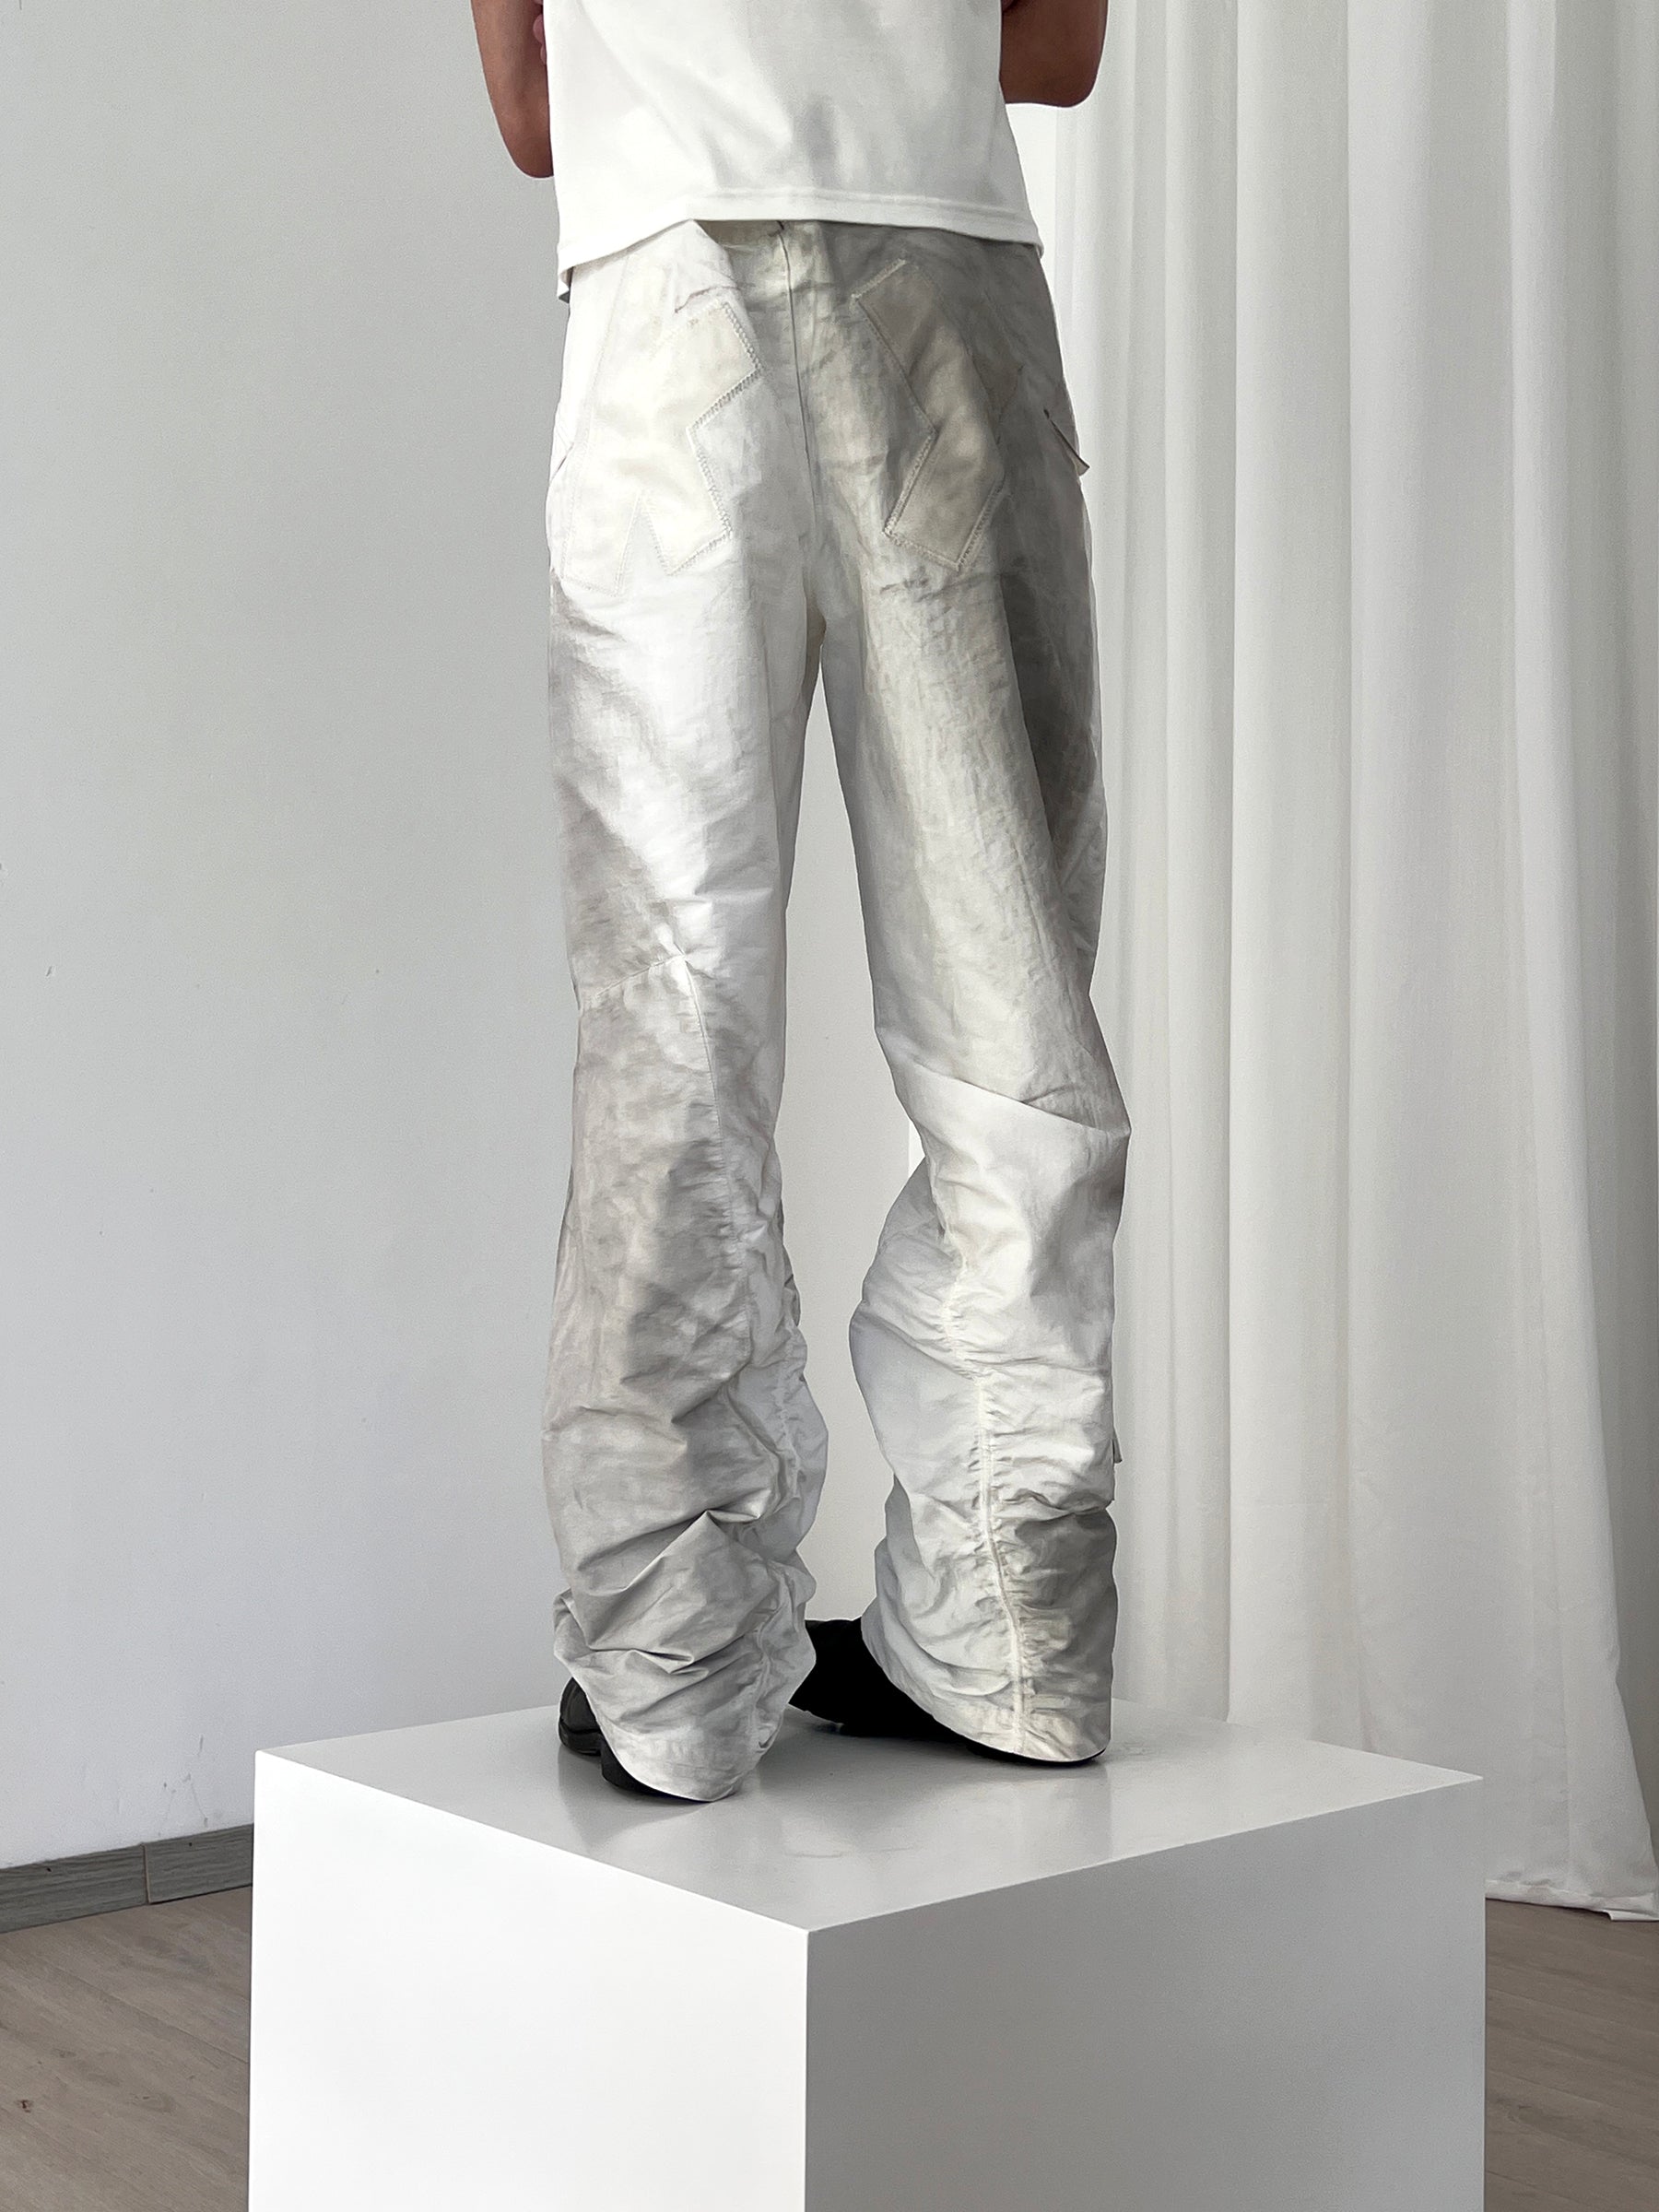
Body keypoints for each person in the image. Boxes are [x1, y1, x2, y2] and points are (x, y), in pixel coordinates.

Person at [470, 0, 1127, 1802]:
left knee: (674, 998)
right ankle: (1014, 1637)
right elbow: (1059, 47)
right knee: (1006, 997)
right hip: (947, 275)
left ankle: (672, 1666)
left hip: (670, 281)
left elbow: (531, 112)